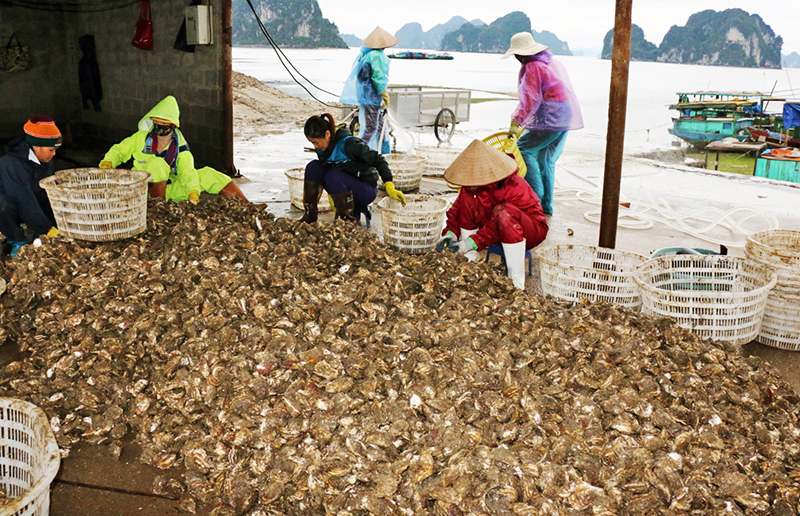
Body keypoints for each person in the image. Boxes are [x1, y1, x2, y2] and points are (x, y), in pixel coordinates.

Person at [437, 139, 548, 290]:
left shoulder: (512, 185)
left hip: (529, 230)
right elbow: (457, 211)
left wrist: (471, 242)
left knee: (503, 213)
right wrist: (450, 234)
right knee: (468, 200)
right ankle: (469, 256)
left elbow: (499, 224)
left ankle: (516, 282)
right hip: (494, 229)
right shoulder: (471, 187)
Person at [98, 95, 248, 203]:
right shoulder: (140, 138)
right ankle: (159, 209)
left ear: (173, 127)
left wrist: (193, 192)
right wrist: (108, 162)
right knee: (157, 163)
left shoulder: (180, 148)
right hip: (143, 191)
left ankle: (248, 206)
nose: (160, 130)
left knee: (209, 174)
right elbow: (119, 150)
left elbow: (187, 172)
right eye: (157, 125)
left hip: (172, 189)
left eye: (164, 126)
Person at [504, 32, 583, 216]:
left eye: (516, 54)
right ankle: (546, 207)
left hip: (552, 117)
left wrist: (516, 123)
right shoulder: (549, 61)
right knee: (546, 159)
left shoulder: (533, 66)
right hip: (565, 115)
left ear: (521, 54)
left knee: (524, 149)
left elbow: (530, 100)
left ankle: (535, 199)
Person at [300, 113, 405, 224]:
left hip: (365, 188)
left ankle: (348, 220)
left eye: (316, 142)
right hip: (341, 185)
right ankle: (310, 216)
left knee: (333, 176)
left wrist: (389, 185)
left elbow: (378, 160)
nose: (315, 146)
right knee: (313, 167)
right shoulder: (321, 149)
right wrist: (332, 194)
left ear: (327, 134)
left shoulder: (349, 144)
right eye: (312, 143)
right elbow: (326, 168)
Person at [0, 116, 61, 257]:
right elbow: (24, 199)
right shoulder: (11, 164)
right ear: (37, 147)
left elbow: (48, 192)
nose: (54, 154)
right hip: (9, 207)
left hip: (28, 201)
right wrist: (47, 228)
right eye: (51, 150)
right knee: (2, 206)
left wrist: (54, 223)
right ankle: (17, 241)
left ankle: (38, 235)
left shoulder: (45, 160)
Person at [340, 26, 398, 154]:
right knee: (371, 129)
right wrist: (384, 94)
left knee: (381, 126)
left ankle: (382, 153)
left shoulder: (364, 55)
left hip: (365, 97)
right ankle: (357, 153)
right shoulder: (377, 56)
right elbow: (378, 78)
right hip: (371, 98)